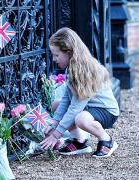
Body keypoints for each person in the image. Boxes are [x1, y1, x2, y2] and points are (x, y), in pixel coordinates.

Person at [40, 27, 119, 158]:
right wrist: (53, 123)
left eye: (56, 55)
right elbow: (67, 99)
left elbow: (75, 108)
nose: (54, 59)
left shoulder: (85, 72)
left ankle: (107, 140)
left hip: (106, 110)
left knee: (80, 118)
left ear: (69, 52)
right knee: (56, 104)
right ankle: (79, 142)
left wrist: (56, 135)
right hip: (89, 108)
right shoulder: (71, 68)